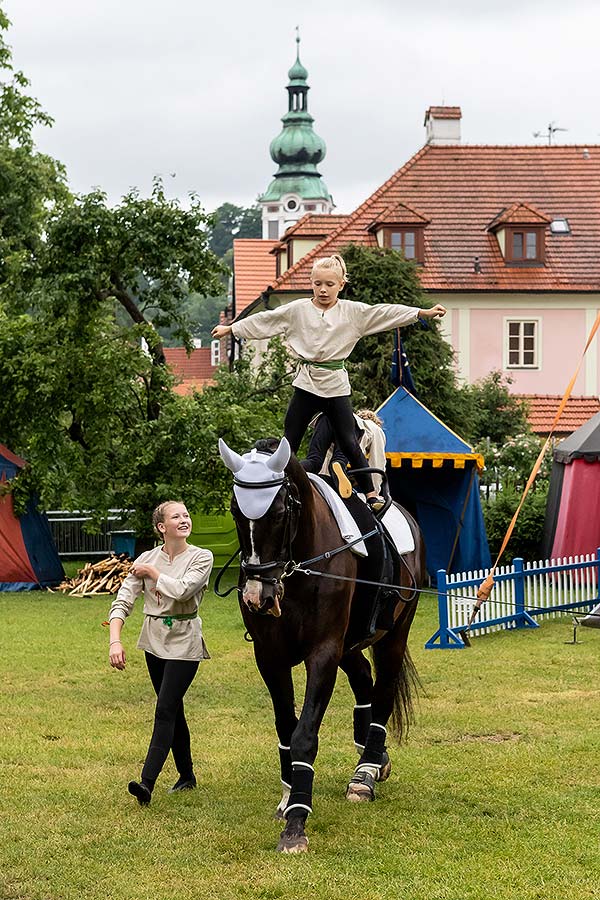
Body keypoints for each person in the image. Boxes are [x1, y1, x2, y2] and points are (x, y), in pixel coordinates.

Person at [212, 252, 445, 510]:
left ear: (341, 285)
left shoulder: (353, 313)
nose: (323, 290)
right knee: (290, 439)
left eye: (330, 285)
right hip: (307, 383)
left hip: (335, 384)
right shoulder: (298, 310)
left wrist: (421, 313)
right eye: (317, 284)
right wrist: (232, 328)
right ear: (311, 283)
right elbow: (267, 320)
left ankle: (370, 493)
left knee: (348, 439)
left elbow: (385, 313)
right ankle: (279, 484)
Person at [108, 501, 213, 806]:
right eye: (176, 516)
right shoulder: (146, 558)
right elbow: (123, 600)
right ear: (161, 527)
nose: (184, 520)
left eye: (186, 515)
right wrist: (115, 640)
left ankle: (146, 784)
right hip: (153, 640)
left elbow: (182, 590)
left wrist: (153, 573)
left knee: (165, 708)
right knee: (173, 709)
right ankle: (187, 776)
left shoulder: (201, 557)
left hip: (185, 641)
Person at [305, 409, 387, 498]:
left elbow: (326, 458)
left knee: (314, 460)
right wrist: (374, 493)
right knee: (339, 460)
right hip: (348, 425)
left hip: (325, 417)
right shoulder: (375, 429)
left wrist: (323, 484)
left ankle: (293, 470)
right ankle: (339, 462)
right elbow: (377, 461)